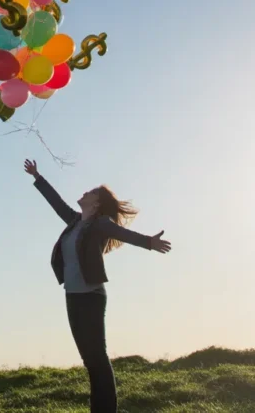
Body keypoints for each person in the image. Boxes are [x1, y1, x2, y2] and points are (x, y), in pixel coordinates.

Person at [23, 159, 171, 413]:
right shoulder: (74, 221)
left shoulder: (100, 224)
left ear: (97, 202)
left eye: (90, 192)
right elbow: (56, 203)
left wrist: (149, 242)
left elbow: (124, 234)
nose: (84, 193)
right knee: (89, 361)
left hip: (91, 296)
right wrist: (38, 177)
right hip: (72, 296)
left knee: (98, 358)